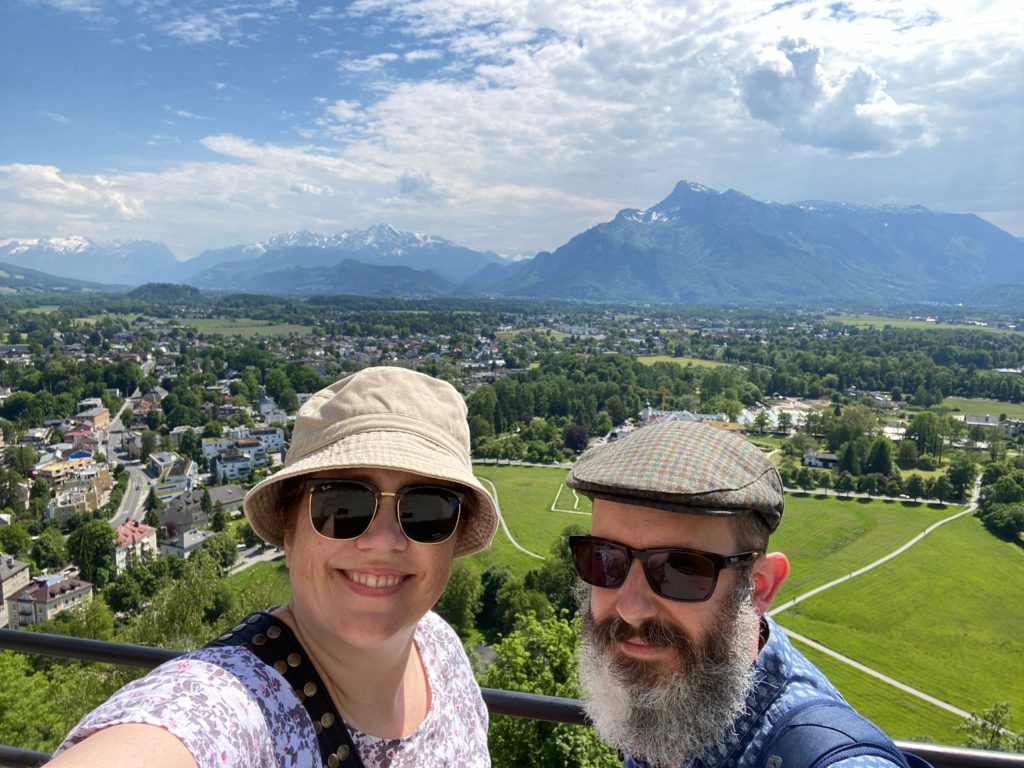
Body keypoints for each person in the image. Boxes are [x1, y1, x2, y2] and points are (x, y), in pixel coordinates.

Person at [48, 366, 497, 768]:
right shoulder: (229, 708)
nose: (382, 541)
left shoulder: (440, 648)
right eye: (341, 504)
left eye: (428, 511)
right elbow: (176, 733)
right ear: (288, 525)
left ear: (454, 538)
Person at [566, 419, 913, 768]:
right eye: (605, 559)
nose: (631, 608)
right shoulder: (665, 709)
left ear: (758, 587)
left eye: (680, 569)